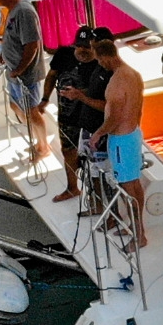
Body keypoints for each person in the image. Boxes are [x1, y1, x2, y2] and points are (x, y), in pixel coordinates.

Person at [85, 29, 147, 248]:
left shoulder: (119, 81)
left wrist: (99, 133)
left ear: (107, 57)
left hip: (122, 139)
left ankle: (139, 236)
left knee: (129, 188)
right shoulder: (133, 74)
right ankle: (134, 226)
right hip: (132, 135)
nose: (100, 65)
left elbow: (116, 116)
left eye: (100, 60)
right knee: (133, 185)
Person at [42, 32, 109, 203]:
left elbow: (103, 94)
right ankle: (72, 188)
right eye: (79, 46)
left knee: (92, 158)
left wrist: (79, 94)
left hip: (89, 118)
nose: (82, 50)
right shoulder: (63, 54)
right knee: (67, 151)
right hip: (67, 116)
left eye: (87, 47)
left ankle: (98, 199)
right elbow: (51, 76)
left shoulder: (100, 65)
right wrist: (44, 99)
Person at [0, 0, 49, 160]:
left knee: (32, 111)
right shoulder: (12, 10)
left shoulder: (23, 12)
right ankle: (35, 137)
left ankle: (43, 146)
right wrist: (3, 55)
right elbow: (12, 37)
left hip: (26, 74)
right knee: (15, 105)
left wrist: (21, 69)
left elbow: (32, 44)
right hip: (13, 71)